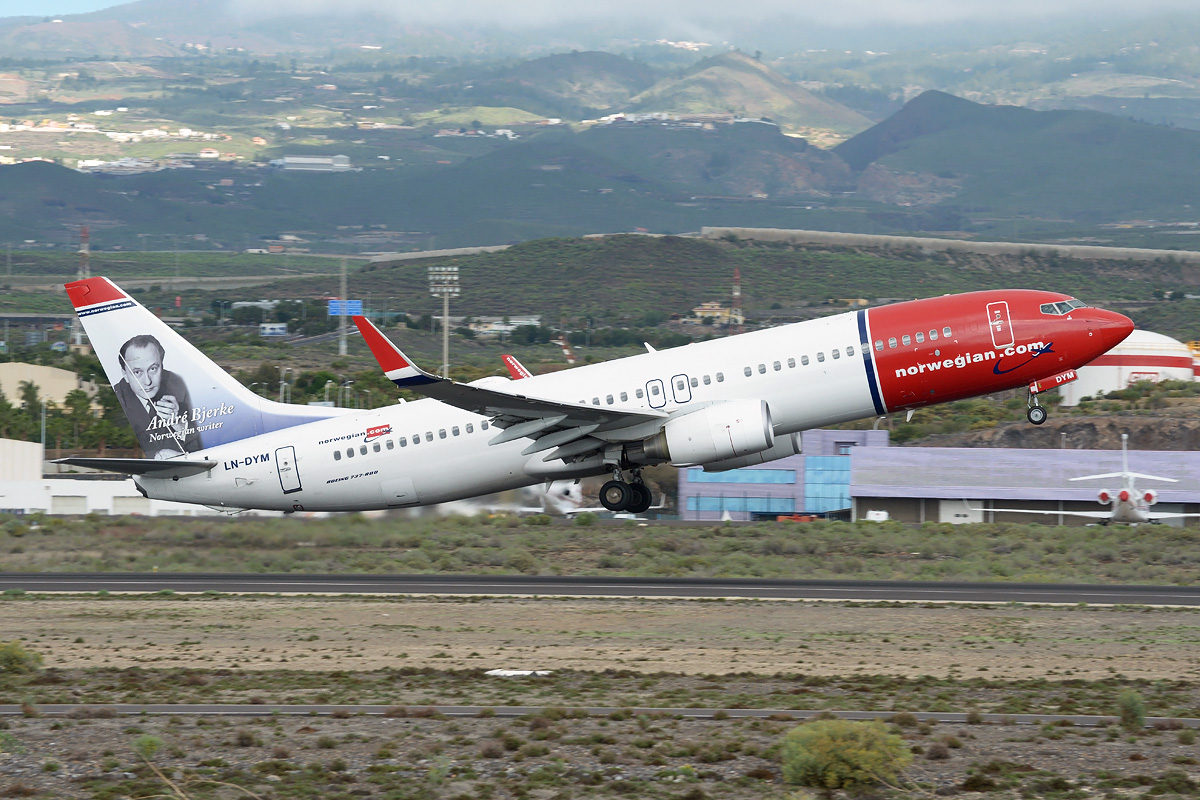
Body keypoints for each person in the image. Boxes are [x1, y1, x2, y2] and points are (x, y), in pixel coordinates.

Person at [114, 334, 200, 458]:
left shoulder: (180, 387)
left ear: (162, 365)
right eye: (137, 372)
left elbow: (204, 446)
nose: (147, 381)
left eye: (153, 369)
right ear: (125, 374)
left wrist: (179, 425)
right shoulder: (117, 400)